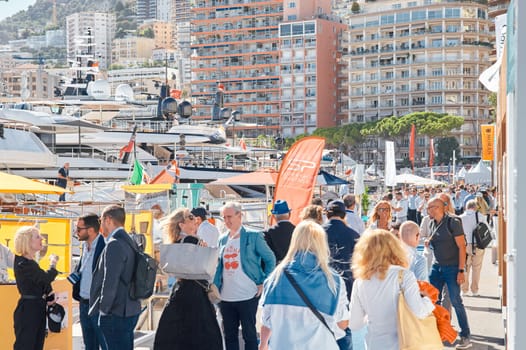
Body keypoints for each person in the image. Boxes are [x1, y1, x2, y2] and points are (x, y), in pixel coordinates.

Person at [259, 220, 349, 350]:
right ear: (322, 244)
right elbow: (342, 324)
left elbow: (266, 321)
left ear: (294, 241)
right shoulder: (333, 281)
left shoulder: (275, 278)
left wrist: (263, 344)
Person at [349, 229, 435, 350]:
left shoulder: (360, 281)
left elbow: (355, 323)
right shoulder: (404, 275)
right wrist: (427, 299)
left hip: (374, 344)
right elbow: (419, 311)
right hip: (403, 343)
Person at [154, 208, 223, 350]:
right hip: (196, 293)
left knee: (176, 334)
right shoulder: (193, 241)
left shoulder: (176, 242)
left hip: (180, 290)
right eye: (190, 217)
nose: (195, 220)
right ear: (181, 224)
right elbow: (208, 268)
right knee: (202, 335)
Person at [214, 201, 276, 350]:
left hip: (248, 294)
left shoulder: (253, 236)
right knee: (229, 336)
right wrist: (214, 287)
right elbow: (218, 266)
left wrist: (264, 282)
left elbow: (270, 259)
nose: (227, 221)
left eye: (229, 217)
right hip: (226, 296)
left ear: (239, 215)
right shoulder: (222, 239)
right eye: (224, 217)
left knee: (249, 334)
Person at [89, 205, 141, 350]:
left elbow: (110, 281)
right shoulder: (130, 241)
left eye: (101, 220)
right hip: (130, 307)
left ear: (108, 220)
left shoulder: (114, 244)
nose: (100, 225)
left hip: (116, 312)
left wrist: (103, 310)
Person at [426, 197, 472, 349]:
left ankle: (465, 335)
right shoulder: (432, 223)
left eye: (434, 207)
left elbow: (462, 247)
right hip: (436, 267)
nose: (431, 210)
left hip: (452, 267)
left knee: (455, 301)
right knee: (431, 301)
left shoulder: (453, 222)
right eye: (429, 207)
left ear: (444, 207)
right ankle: (438, 332)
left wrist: (461, 270)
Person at [13, 226, 59, 350]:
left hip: (36, 308)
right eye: (37, 236)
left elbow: (41, 282)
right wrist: (53, 264)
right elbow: (45, 278)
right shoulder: (23, 263)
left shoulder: (30, 263)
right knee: (26, 345)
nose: (41, 239)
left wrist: (50, 295)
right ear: (27, 240)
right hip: (28, 310)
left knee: (37, 345)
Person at [323, 200, 359, 350]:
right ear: (344, 215)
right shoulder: (353, 234)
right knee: (344, 327)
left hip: (321, 285)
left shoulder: (318, 232)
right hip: (348, 284)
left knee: (323, 328)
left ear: (327, 214)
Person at [73, 214, 106, 350]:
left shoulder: (105, 246)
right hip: (84, 303)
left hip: (98, 305)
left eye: (79, 229)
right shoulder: (85, 247)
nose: (76, 232)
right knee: (89, 345)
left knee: (105, 344)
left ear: (91, 230)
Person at [459, 199, 488, 297]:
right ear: (475, 207)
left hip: (464, 245)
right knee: (477, 268)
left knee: (465, 268)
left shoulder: (460, 218)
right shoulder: (481, 216)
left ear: (466, 207)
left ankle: (464, 290)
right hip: (478, 245)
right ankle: (475, 290)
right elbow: (487, 230)